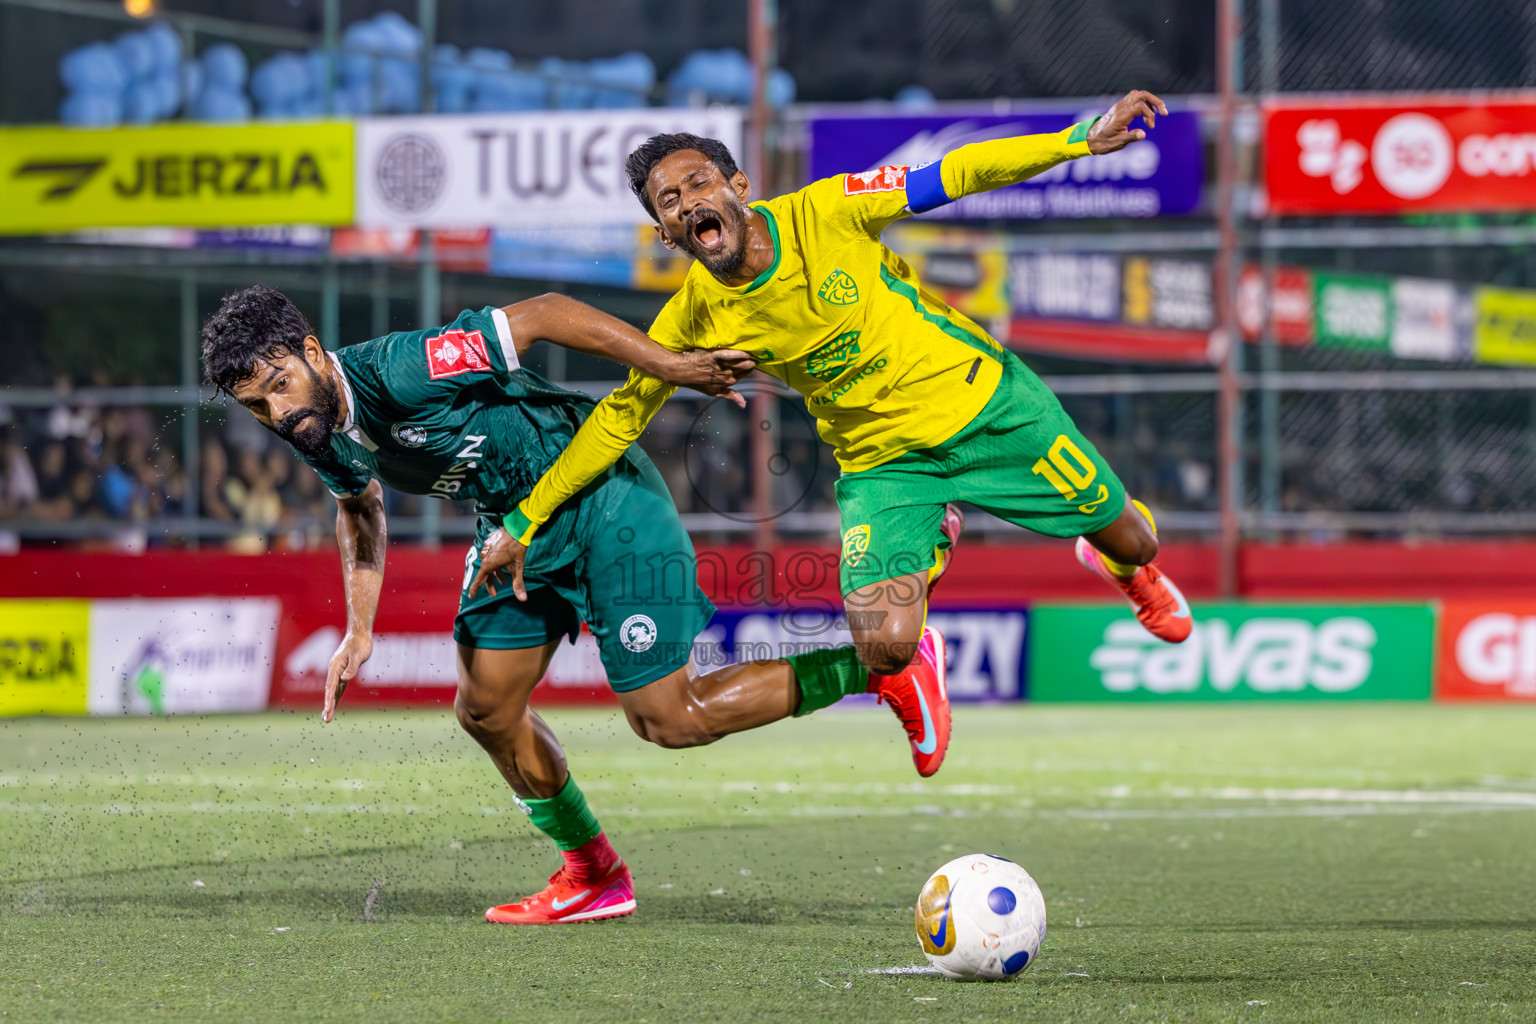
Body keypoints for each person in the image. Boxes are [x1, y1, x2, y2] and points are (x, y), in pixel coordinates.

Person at [201, 285, 949, 926]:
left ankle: (883, 670)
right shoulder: (314, 427)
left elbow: (546, 314)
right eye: (256, 405)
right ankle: (593, 874)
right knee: (486, 710)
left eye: (279, 385)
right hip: (513, 532)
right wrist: (358, 630)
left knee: (669, 719)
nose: (276, 411)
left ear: (311, 351)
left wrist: (670, 366)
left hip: (602, 502)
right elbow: (360, 506)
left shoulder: (403, 367)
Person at [477, 90, 1194, 736]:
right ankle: (930, 559)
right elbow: (617, 420)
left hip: (988, 408)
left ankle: (1117, 565)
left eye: (698, 182)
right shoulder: (689, 319)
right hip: (884, 465)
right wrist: (524, 520)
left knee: (1136, 542)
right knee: (883, 647)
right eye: (668, 200)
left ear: (737, 187)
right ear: (665, 234)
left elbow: (953, 173)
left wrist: (1078, 139)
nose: (688, 202)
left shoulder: (828, 209)